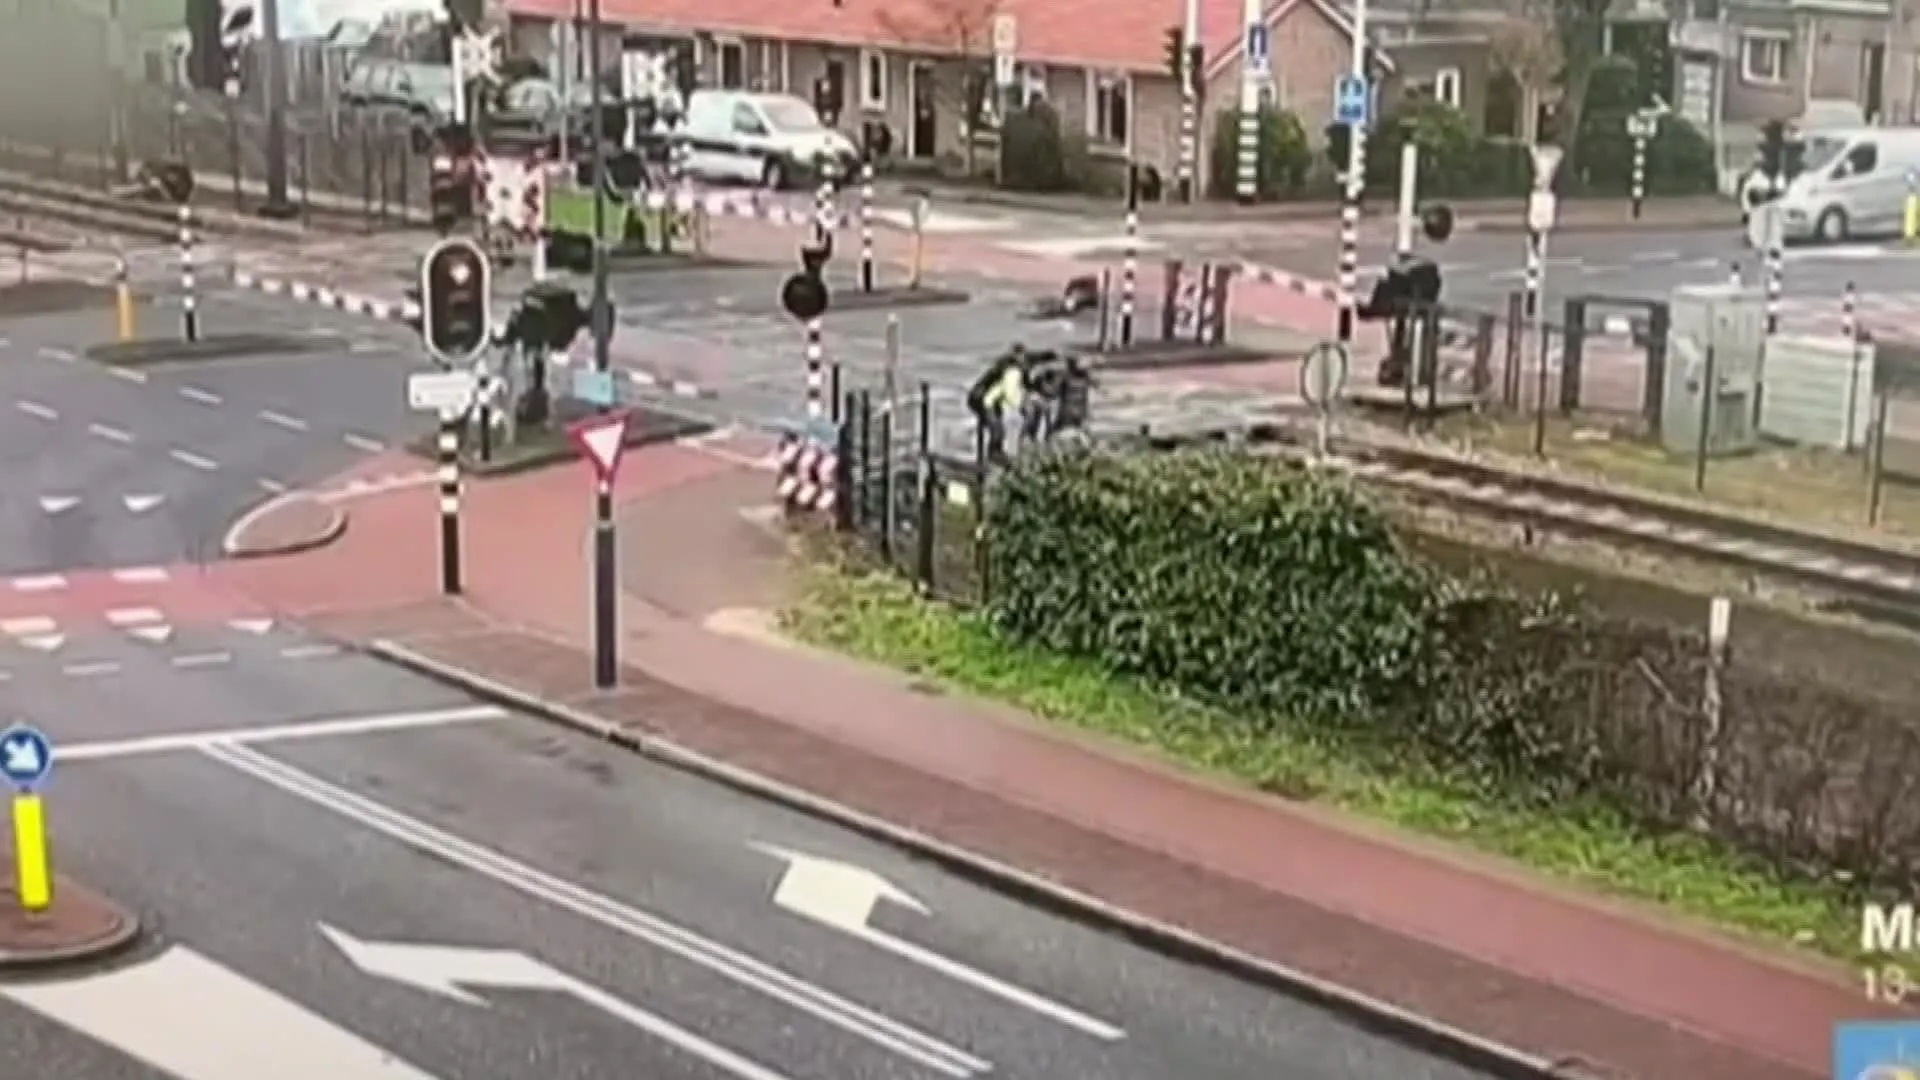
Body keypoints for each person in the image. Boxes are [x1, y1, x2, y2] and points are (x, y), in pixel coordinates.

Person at [966, 344, 1030, 464]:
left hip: (985, 399)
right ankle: (993, 456)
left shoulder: (1003, 365)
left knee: (997, 427)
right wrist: (1020, 406)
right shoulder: (1012, 371)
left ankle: (990, 454)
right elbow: (1009, 392)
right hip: (984, 400)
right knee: (997, 429)